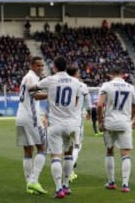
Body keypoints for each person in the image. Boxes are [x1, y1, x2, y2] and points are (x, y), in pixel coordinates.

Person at [30, 56, 81, 199]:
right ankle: (66, 185)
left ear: (54, 67)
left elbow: (33, 89)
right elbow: (76, 101)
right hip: (71, 124)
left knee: (55, 157)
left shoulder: (51, 79)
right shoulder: (76, 82)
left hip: (55, 124)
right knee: (69, 154)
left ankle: (59, 189)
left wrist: (46, 94)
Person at [97, 66, 135, 192]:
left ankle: (111, 182)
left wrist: (100, 121)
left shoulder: (106, 86)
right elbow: (134, 106)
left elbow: (99, 105)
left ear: (111, 74)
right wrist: (131, 120)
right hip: (124, 123)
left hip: (110, 122)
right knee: (125, 153)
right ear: (122, 75)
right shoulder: (130, 87)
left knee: (109, 151)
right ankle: (125, 185)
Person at [15, 56, 48, 195]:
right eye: (38, 66)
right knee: (43, 148)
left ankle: (29, 184)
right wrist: (51, 94)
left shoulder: (27, 77)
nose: (40, 68)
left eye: (42, 66)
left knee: (28, 151)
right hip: (31, 118)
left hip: (21, 117)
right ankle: (33, 180)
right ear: (32, 66)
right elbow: (35, 95)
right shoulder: (31, 77)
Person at [66, 65, 92, 183]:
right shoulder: (82, 85)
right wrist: (89, 112)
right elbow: (88, 102)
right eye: (78, 72)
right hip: (76, 121)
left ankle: (67, 167)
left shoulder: (63, 84)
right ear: (75, 73)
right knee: (77, 146)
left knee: (66, 147)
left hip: (63, 120)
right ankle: (70, 170)